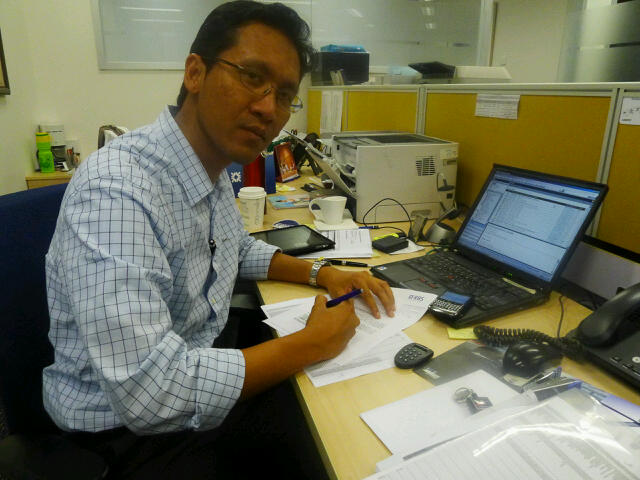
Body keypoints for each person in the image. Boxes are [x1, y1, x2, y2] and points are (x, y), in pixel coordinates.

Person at [43, 1, 395, 478]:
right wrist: (312, 344)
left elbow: (236, 248)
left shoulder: (206, 169)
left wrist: (323, 272)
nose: (268, 109)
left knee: (341, 409)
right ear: (195, 73)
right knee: (333, 446)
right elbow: (150, 395)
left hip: (193, 375)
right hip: (122, 436)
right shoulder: (118, 189)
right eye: (252, 77)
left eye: (284, 95)